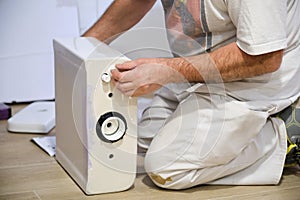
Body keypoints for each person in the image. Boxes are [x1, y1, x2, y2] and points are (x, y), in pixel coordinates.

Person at [83, 0, 300, 189]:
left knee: (167, 168)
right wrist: (86, 46)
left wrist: (167, 71)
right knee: (137, 147)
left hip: (253, 82)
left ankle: (286, 133)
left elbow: (265, 57)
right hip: (197, 76)